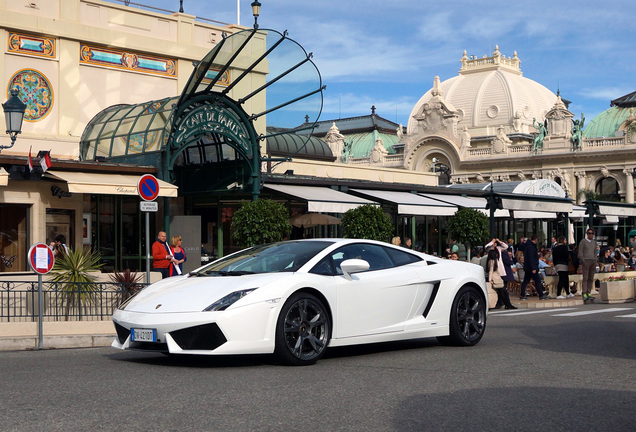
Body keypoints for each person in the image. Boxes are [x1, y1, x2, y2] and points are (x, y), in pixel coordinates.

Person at [485, 239, 517, 309]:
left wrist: (499, 241)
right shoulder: (491, 253)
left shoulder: (499, 249)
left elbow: (505, 246)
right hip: (496, 275)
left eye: (496, 243)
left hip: (500, 272)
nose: (495, 244)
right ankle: (506, 304)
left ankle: (503, 304)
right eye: (494, 244)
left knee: (502, 290)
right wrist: (492, 242)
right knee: (502, 290)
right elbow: (486, 247)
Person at [520, 234, 549, 300]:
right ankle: (541, 295)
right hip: (531, 267)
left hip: (528, 267)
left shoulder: (528, 246)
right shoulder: (531, 247)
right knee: (537, 280)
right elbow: (531, 258)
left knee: (526, 280)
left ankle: (522, 294)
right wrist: (533, 268)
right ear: (535, 239)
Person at [578, 228, 599, 302]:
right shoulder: (583, 242)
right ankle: (584, 292)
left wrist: (595, 259)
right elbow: (580, 251)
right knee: (585, 277)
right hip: (586, 260)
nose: (591, 235)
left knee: (591, 277)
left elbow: (595, 251)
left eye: (592, 233)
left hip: (592, 260)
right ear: (587, 234)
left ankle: (589, 292)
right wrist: (583, 260)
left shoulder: (594, 242)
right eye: (589, 233)